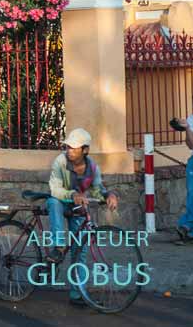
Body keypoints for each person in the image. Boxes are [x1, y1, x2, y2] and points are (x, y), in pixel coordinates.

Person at [46, 127, 119, 304]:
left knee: (80, 250)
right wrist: (72, 195)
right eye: (68, 147)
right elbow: (55, 189)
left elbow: (97, 189)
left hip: (78, 206)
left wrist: (108, 195)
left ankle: (77, 293)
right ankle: (58, 247)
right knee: (53, 202)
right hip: (61, 201)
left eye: (74, 147)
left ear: (85, 150)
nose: (69, 150)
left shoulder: (92, 167)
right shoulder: (60, 161)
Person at [175, 112, 193, 244]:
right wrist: (187, 128)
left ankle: (187, 226)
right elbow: (191, 145)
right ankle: (187, 227)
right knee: (192, 194)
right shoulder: (191, 119)